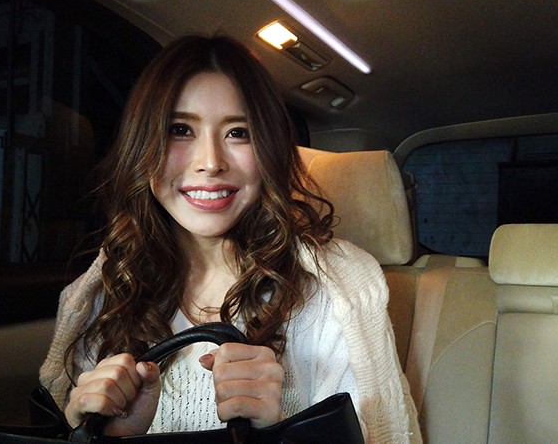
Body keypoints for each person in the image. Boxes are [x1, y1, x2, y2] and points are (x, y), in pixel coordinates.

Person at [39, 35, 421, 443]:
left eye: (238, 132)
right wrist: (106, 437)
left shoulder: (338, 289)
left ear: (270, 149)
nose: (210, 163)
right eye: (180, 130)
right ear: (141, 145)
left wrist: (274, 431)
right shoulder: (102, 291)